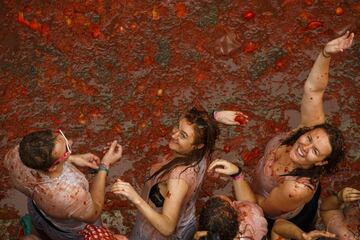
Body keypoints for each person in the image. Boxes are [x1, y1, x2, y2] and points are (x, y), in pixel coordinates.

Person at [213, 31, 354, 231]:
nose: (305, 146)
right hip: (262, 189)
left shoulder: (295, 189)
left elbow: (259, 207)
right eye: (309, 138)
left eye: (315, 151)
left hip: (279, 213)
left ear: (321, 162)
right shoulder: (308, 129)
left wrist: (237, 175)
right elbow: (314, 90)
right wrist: (326, 53)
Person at [111, 107, 220, 240]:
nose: (174, 135)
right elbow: (204, 130)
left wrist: (134, 197)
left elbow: (167, 227)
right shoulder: (201, 156)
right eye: (177, 128)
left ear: (198, 145)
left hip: (153, 234)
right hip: (185, 221)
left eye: (183, 135)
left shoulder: (178, 179)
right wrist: (216, 116)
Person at [4, 129, 123, 240]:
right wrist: (104, 166)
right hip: (66, 231)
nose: (69, 142)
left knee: (41, 231)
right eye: (67, 149)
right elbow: (94, 213)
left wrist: (71, 158)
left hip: (36, 210)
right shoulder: (69, 194)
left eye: (61, 135)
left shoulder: (16, 155)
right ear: (53, 167)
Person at [194, 159, 268, 240]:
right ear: (240, 217)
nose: (235, 203)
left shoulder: (210, 237)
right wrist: (237, 173)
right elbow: (251, 203)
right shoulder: (255, 223)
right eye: (232, 204)